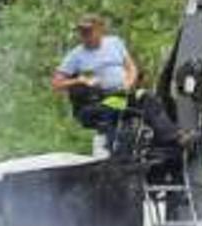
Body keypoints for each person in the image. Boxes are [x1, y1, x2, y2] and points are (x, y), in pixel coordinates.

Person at [50, 14, 181, 150]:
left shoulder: (114, 43)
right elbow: (56, 83)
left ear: (100, 29)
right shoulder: (76, 55)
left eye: (89, 31)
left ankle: (171, 138)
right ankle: (113, 153)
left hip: (124, 92)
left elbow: (131, 67)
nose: (85, 35)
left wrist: (129, 83)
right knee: (113, 111)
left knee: (147, 98)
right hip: (102, 98)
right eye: (82, 32)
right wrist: (79, 80)